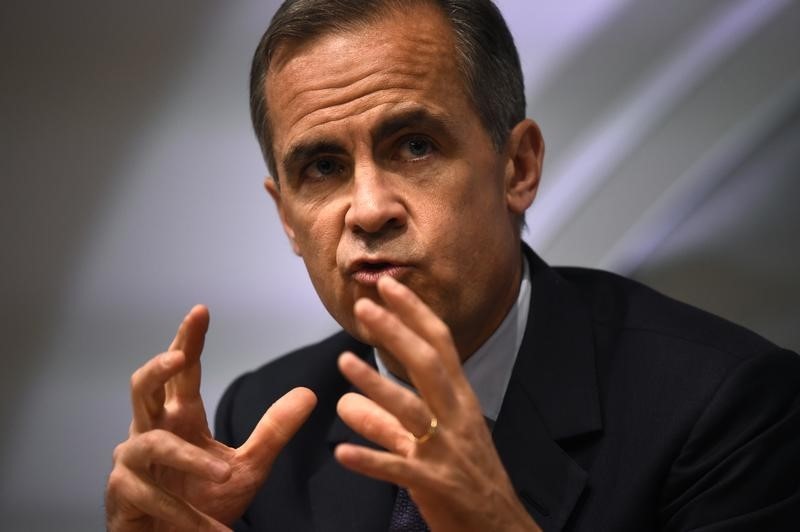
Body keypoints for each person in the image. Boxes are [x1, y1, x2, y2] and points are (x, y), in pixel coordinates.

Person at [105, 0, 800, 530]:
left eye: (414, 146)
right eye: (322, 167)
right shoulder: (261, 419)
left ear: (518, 167)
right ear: (287, 217)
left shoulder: (729, 407)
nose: (369, 208)